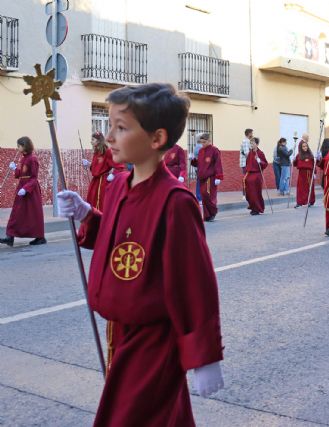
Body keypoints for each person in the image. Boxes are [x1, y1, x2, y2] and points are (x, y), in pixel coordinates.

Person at [55, 83, 224, 426]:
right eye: (110, 126)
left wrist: (204, 357)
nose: (109, 137)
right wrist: (87, 213)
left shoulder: (175, 202)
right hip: (120, 334)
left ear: (157, 138)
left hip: (154, 341)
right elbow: (125, 244)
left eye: (121, 127)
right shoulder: (120, 185)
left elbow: (194, 282)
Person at [0, 136, 46, 247]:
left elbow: (34, 177)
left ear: (25, 146)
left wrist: (26, 189)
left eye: (19, 146)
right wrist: (15, 168)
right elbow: (23, 173)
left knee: (33, 214)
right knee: (17, 212)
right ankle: (10, 236)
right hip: (22, 188)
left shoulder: (32, 159)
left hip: (30, 191)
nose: (17, 148)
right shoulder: (24, 158)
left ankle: (40, 237)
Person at [84, 131, 123, 211]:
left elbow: (120, 166)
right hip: (95, 182)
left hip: (102, 182)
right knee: (92, 202)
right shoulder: (97, 152)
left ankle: (101, 220)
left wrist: (113, 174)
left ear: (98, 141)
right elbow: (97, 167)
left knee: (101, 204)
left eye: (93, 139)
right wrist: (89, 164)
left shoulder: (107, 152)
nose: (91, 141)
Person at [190, 133, 223, 222]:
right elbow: (199, 163)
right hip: (202, 177)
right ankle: (207, 215)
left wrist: (218, 177)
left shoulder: (215, 150)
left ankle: (212, 212)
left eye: (204, 142)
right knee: (203, 196)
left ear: (209, 141)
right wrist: (193, 160)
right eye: (201, 142)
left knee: (208, 195)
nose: (203, 144)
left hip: (210, 177)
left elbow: (218, 164)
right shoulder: (201, 151)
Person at [244, 137, 268, 215]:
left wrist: (260, 161)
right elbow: (247, 163)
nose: (251, 144)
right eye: (250, 143)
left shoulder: (260, 153)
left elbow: (265, 164)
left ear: (257, 144)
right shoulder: (250, 153)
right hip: (249, 174)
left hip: (256, 175)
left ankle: (257, 208)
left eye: (253, 143)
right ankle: (252, 206)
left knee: (255, 193)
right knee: (248, 193)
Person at [293, 140, 317, 208]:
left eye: (306, 146)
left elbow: (314, 164)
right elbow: (295, 164)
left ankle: (309, 201)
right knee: (300, 189)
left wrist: (314, 173)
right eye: (303, 146)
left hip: (309, 174)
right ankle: (300, 202)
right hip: (301, 174)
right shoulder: (299, 155)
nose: (305, 147)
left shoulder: (310, 155)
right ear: (301, 147)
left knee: (308, 188)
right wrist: (294, 160)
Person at [240, 128, 253, 197]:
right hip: (245, 163)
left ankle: (248, 193)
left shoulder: (248, 141)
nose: (252, 134)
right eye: (251, 133)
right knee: (246, 178)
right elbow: (246, 153)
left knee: (249, 178)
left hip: (248, 163)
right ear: (249, 133)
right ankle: (244, 194)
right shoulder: (245, 141)